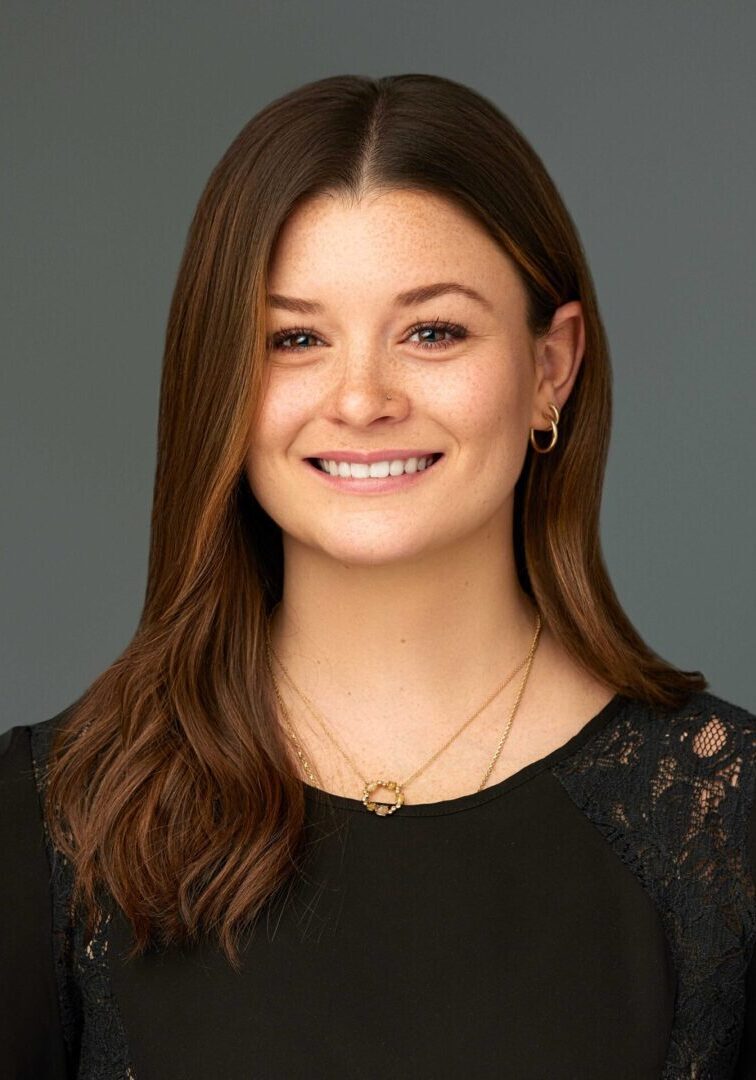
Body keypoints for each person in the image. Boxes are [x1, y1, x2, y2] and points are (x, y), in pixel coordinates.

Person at [1, 72, 755, 1080]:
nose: (361, 399)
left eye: (433, 331)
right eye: (296, 339)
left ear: (551, 367)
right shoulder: (47, 825)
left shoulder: (731, 823)